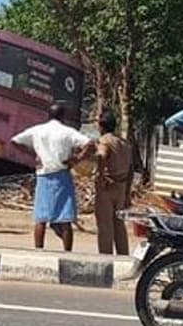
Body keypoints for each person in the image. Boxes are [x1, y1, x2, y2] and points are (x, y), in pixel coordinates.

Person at [12, 103, 94, 252]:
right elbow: (90, 144)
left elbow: (15, 141)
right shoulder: (68, 132)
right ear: (63, 117)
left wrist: (34, 155)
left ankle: (39, 250)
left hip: (43, 175)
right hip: (62, 175)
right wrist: (76, 159)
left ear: (48, 115)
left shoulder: (37, 130)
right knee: (65, 219)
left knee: (40, 218)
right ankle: (67, 252)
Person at [94, 112, 134, 255]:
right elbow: (131, 170)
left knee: (105, 226)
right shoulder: (125, 143)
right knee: (119, 225)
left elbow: (101, 155)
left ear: (101, 126)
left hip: (107, 188)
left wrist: (101, 174)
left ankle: (106, 259)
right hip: (122, 187)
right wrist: (128, 193)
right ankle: (123, 257)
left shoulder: (105, 141)